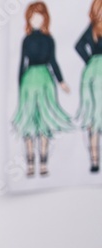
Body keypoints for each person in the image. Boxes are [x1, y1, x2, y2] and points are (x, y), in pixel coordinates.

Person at [12, 1, 73, 177]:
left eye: (39, 16)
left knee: (44, 123)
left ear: (45, 18)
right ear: (28, 19)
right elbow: (21, 63)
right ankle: (30, 163)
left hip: (45, 80)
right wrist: (19, 86)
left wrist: (61, 81)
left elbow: (53, 61)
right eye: (32, 17)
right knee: (29, 123)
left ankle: (44, 162)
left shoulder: (49, 39)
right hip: (29, 81)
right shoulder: (26, 39)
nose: (35, 20)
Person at [75, 0, 102, 173]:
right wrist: (90, 62)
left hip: (92, 71)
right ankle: (94, 160)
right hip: (93, 75)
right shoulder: (91, 28)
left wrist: (90, 62)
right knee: (94, 117)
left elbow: (78, 46)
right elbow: (78, 46)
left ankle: (94, 161)